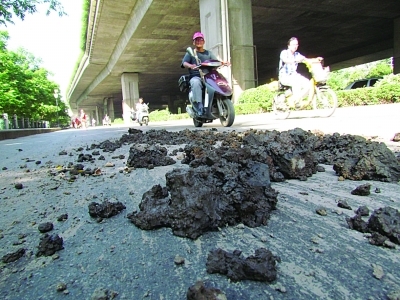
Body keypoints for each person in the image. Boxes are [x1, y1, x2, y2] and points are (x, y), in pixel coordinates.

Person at [181, 32, 230, 116]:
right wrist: (191, 65)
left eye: (200, 39)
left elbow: (215, 61)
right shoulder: (191, 53)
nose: (199, 41)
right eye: (196, 40)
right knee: (195, 82)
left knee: (222, 79)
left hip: (209, 76)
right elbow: (184, 63)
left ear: (204, 41)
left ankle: (222, 98)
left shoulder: (209, 53)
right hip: (197, 76)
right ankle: (199, 106)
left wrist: (223, 62)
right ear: (193, 42)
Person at [278, 37, 318, 108]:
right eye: (293, 44)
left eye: (296, 44)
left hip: (294, 75)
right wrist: (295, 60)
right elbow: (285, 60)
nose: (295, 46)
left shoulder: (297, 54)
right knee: (296, 83)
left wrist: (316, 60)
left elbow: (305, 59)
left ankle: (295, 99)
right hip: (284, 76)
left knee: (308, 85)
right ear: (289, 45)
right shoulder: (284, 53)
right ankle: (296, 101)